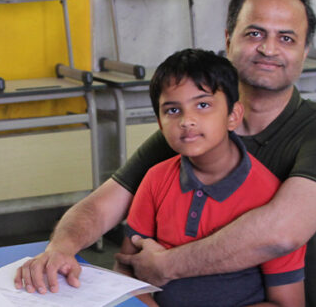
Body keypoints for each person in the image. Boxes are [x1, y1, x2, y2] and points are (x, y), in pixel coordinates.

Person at [15, 0, 316, 307]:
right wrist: (60, 248)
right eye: (255, 33)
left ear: (305, 50)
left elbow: (282, 232)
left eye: (287, 38)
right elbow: (104, 204)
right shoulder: (193, 132)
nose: (269, 49)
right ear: (228, 40)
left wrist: (168, 266)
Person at [114, 48, 305, 307]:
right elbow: (126, 270)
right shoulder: (155, 180)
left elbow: (287, 304)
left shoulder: (271, 197)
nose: (187, 121)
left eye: (203, 105)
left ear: (233, 116)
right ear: (160, 124)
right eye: (172, 110)